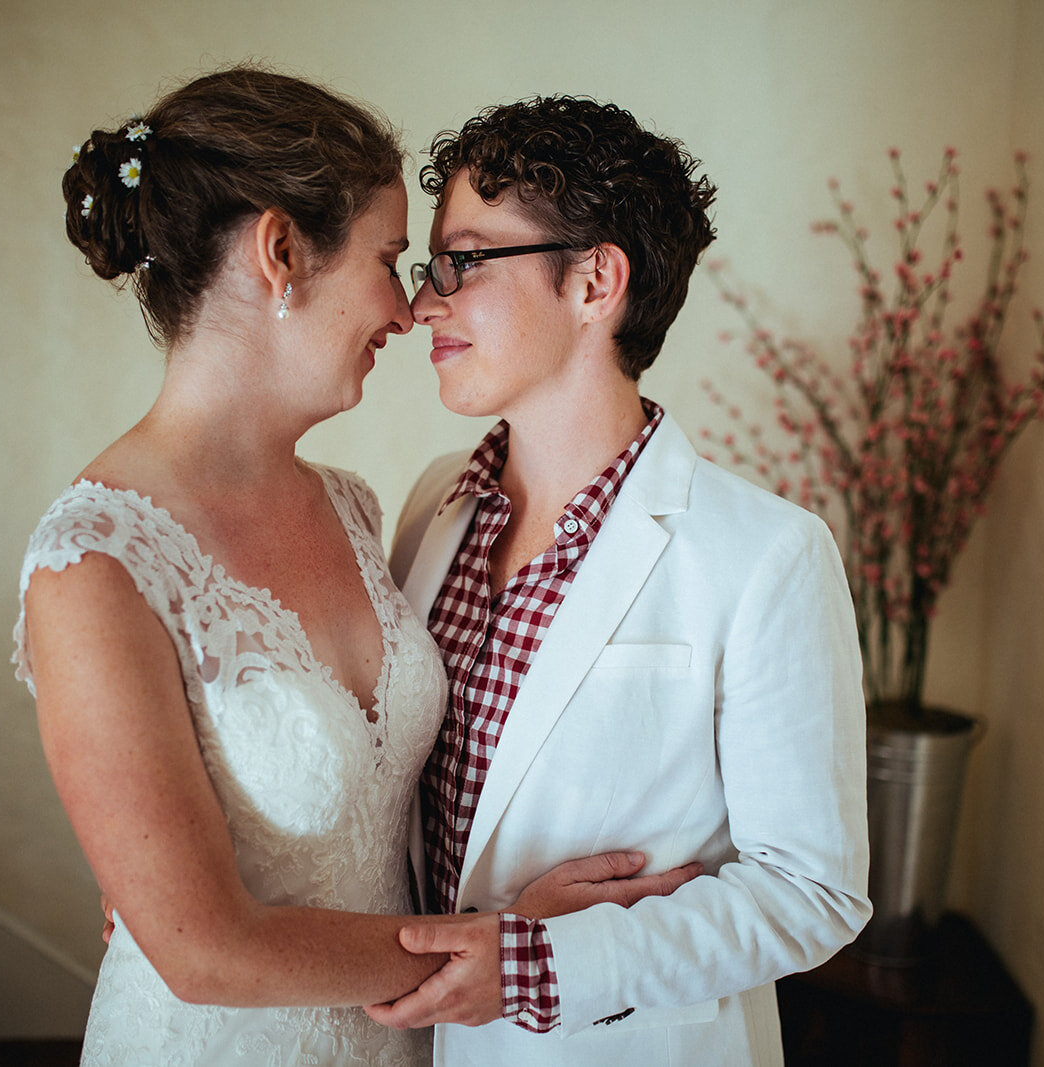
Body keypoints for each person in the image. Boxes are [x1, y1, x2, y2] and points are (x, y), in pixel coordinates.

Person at [14, 68, 694, 1067]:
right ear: (280, 252)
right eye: (390, 258)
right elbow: (201, 949)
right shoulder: (93, 563)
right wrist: (503, 948)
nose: (412, 306)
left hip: (410, 1040)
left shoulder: (356, 504)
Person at [372, 96, 872, 1065]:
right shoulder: (434, 506)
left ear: (596, 280)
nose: (426, 302)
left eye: (465, 261)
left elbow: (813, 890)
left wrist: (540, 960)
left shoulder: (769, 555)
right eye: (432, 266)